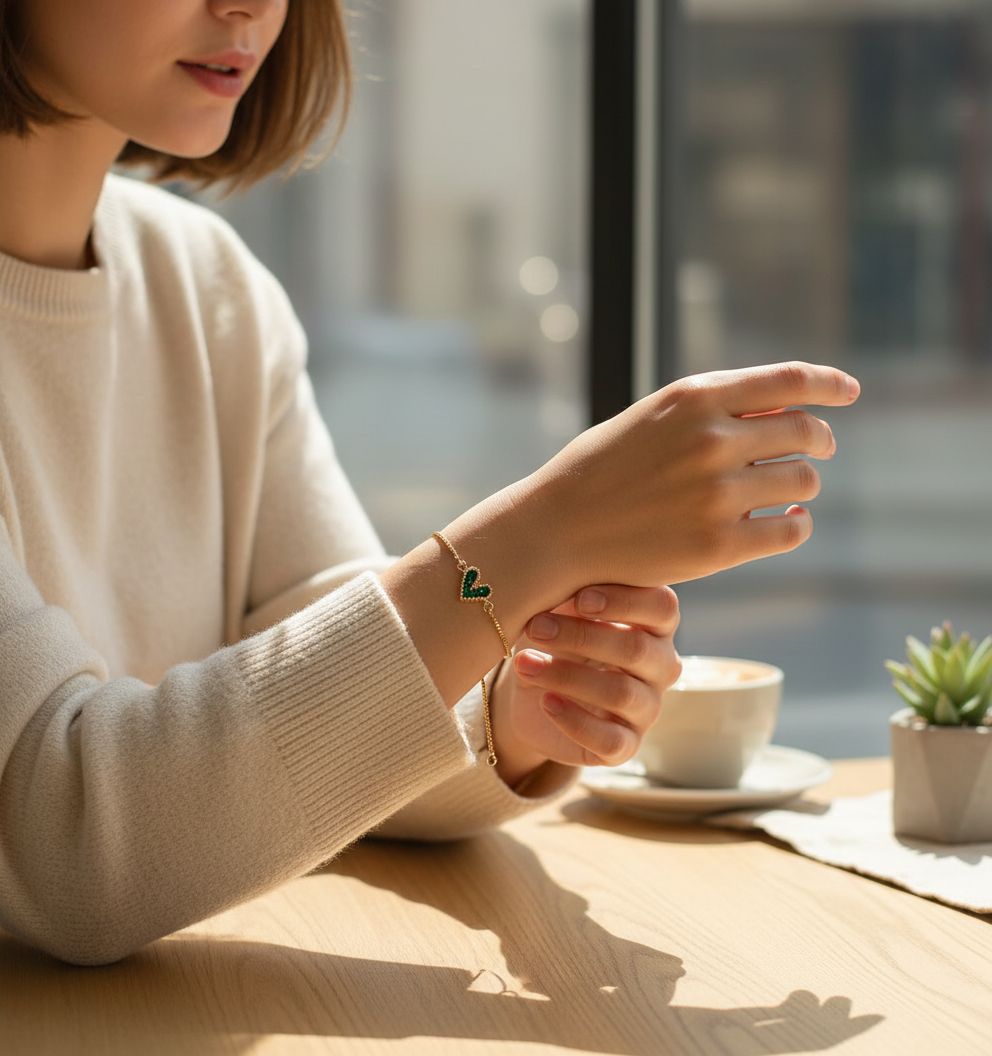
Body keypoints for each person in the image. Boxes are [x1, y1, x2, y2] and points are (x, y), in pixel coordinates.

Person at [0, 0, 860, 967]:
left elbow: (315, 632)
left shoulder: (208, 286)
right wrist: (541, 537)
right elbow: (63, 838)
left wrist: (504, 708)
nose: (245, 6)